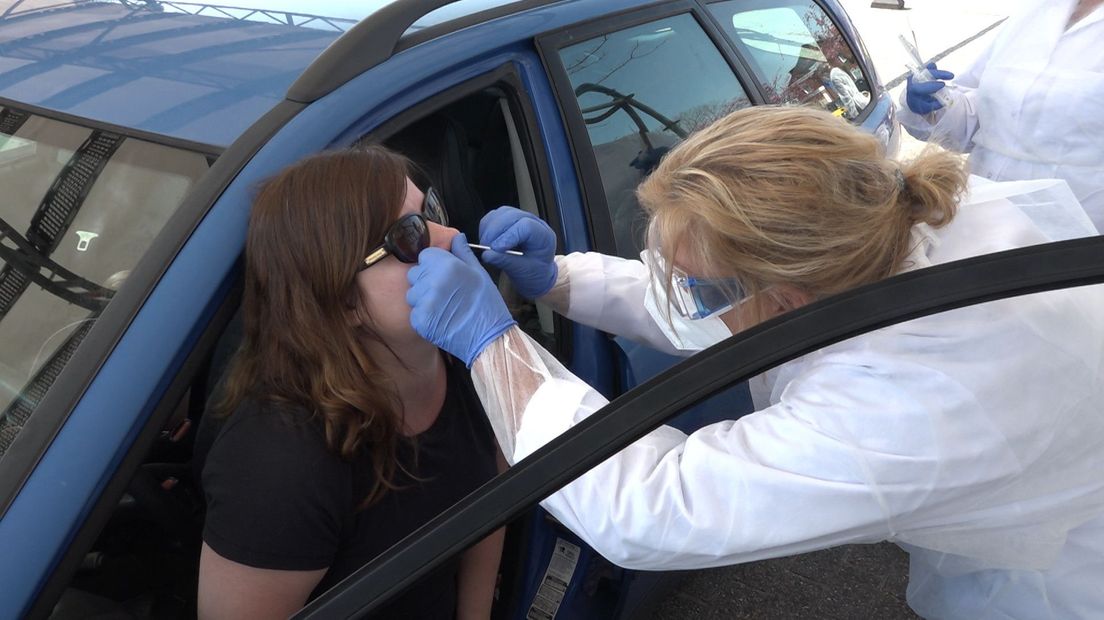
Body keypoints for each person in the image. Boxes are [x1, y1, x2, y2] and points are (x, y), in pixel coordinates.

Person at [404, 106, 1104, 618]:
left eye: (696, 280)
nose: (679, 292)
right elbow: (718, 304)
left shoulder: (919, 403)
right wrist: (558, 278)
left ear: (790, 299)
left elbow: (650, 510)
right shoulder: (870, 221)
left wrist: (493, 344)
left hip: (1060, 580)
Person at [195, 147, 502, 619]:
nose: (453, 236)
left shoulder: (467, 352)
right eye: (410, 235)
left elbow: (489, 502)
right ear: (341, 302)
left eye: (432, 210)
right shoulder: (280, 468)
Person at [900, 0, 1104, 232]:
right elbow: (984, 118)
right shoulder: (1038, 11)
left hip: (1072, 241)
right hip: (977, 221)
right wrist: (935, 105)